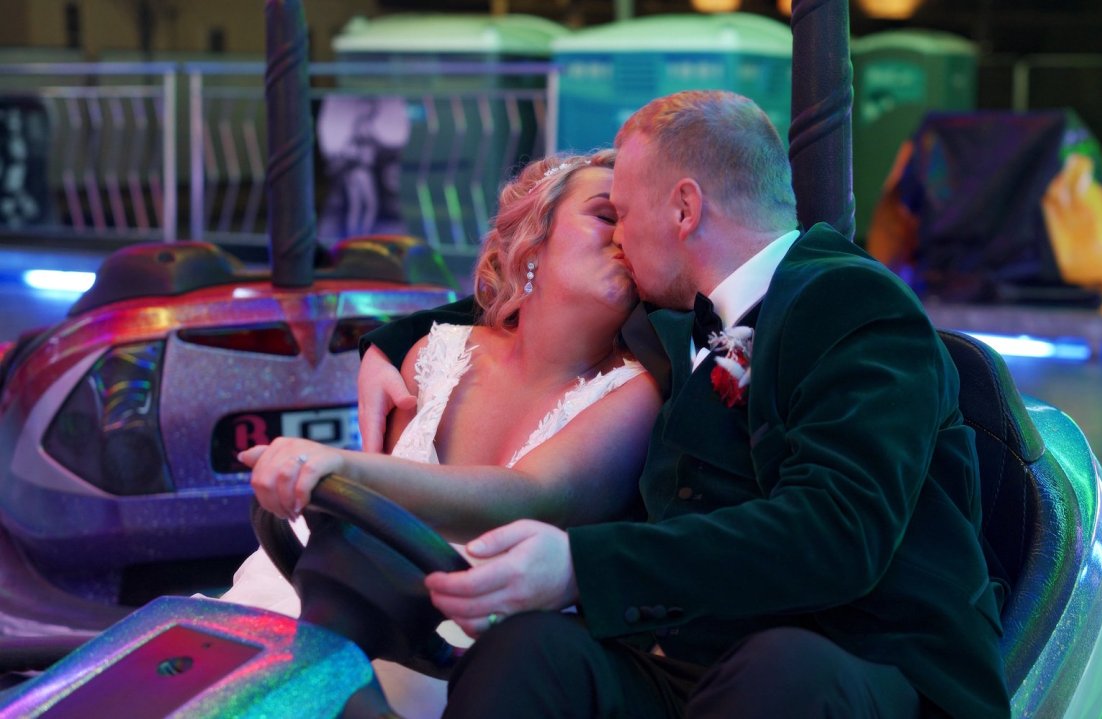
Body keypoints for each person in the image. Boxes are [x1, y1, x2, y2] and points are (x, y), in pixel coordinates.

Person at [359, 90, 1010, 718]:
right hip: (692, 662)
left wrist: (583, 567)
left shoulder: (858, 306)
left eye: (623, 215)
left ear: (683, 210)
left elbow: (836, 531)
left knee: (779, 673)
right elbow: (534, 295)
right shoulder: (678, 317)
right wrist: (385, 344)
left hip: (860, 658)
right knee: (529, 651)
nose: (620, 242)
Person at [222, 149, 663, 717]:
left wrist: (340, 466)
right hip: (334, 599)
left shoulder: (635, 391)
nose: (624, 236)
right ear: (535, 237)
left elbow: (530, 495)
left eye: (634, 223)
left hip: (478, 646)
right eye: (606, 215)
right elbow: (376, 523)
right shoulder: (434, 352)